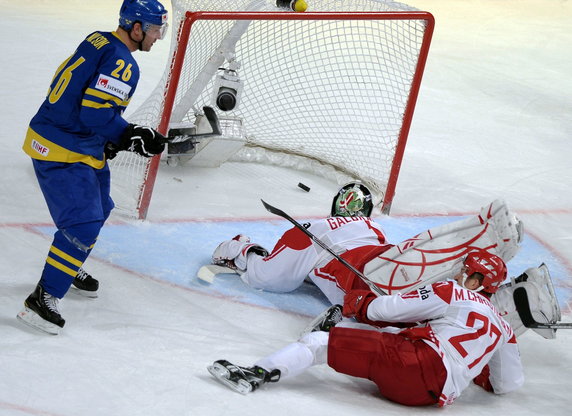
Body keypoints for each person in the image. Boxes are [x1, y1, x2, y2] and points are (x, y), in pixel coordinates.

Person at [211, 182, 562, 339]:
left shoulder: (312, 229)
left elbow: (269, 277)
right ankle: (506, 285)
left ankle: (486, 243)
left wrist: (239, 249)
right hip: (388, 263)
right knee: (450, 287)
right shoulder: (374, 231)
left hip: (371, 280)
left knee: (411, 301)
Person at [17, 0, 169, 335]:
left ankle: (67, 266)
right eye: (155, 29)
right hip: (61, 147)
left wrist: (113, 139)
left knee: (101, 208)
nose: (158, 37)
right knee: (83, 223)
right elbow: (95, 114)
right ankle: (42, 299)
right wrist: (127, 134)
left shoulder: (99, 39)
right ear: (136, 27)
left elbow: (81, 96)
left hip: (75, 140)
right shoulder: (124, 63)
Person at [208, 250, 524, 407]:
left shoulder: (451, 292)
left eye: (465, 272)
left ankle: (256, 373)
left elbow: (383, 309)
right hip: (429, 398)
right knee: (396, 338)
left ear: (475, 282)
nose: (458, 276)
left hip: (412, 366)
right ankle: (343, 330)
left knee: (320, 342)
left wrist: (361, 300)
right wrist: (477, 371)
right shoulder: (504, 327)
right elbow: (507, 383)